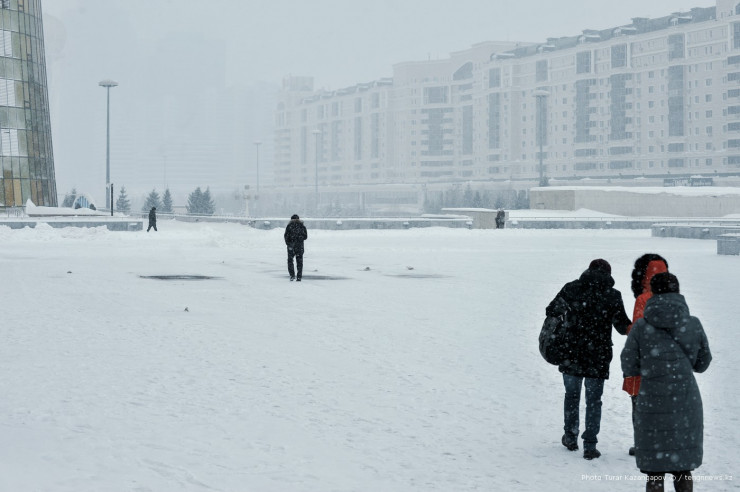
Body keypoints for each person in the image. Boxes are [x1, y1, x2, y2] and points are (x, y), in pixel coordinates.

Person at [621, 273, 711, 492]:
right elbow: (702, 363)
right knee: (683, 467)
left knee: (655, 469)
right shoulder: (693, 324)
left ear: (652, 292)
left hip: (651, 403)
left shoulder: (641, 327)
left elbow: (628, 364)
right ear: (677, 291)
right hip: (685, 402)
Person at [546, 258, 631, 460]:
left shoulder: (571, 288)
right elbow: (622, 327)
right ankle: (590, 445)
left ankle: (570, 436)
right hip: (598, 356)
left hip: (571, 353)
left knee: (572, 396)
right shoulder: (612, 295)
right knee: (594, 401)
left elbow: (551, 311)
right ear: (608, 274)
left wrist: (569, 318)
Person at [624, 254, 669, 456]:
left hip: (644, 363)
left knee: (640, 405)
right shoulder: (675, 300)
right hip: (668, 363)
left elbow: (638, 332)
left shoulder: (643, 300)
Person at [284, 214, 308, 281]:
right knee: (299, 261)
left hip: (291, 246)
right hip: (299, 246)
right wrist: (300, 238)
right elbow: (305, 237)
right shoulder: (302, 226)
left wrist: (288, 244)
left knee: (290, 261)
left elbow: (286, 236)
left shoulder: (289, 226)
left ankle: (292, 275)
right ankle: (299, 276)